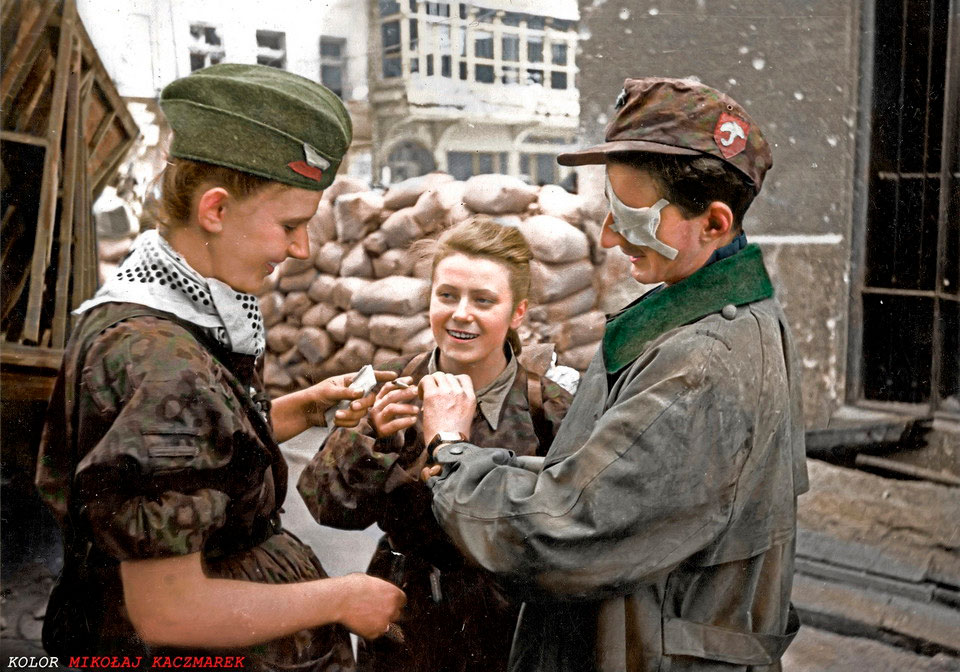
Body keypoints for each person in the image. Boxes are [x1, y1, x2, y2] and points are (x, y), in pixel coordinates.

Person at [418, 77, 809, 672]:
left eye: (631, 215)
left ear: (713, 223)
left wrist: (451, 451)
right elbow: (609, 481)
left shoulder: (699, 368)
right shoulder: (718, 318)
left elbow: (563, 531)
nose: (607, 234)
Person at [34, 64, 405, 670]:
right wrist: (344, 597)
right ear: (215, 210)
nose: (301, 248)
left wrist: (303, 408)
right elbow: (168, 610)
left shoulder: (152, 312)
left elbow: (200, 449)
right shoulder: (161, 362)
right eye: (290, 225)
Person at [297, 216, 574, 672]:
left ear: (517, 313)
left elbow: (573, 533)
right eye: (447, 295)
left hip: (510, 631)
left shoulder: (548, 408)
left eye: (483, 300)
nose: (461, 313)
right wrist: (371, 439)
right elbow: (325, 507)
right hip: (406, 623)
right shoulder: (394, 391)